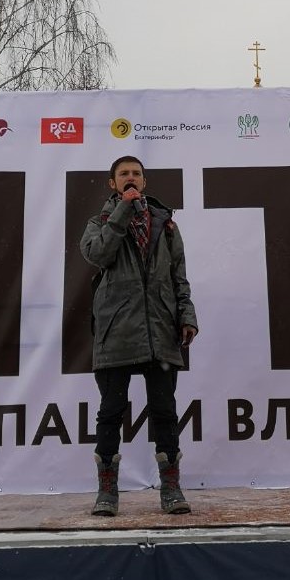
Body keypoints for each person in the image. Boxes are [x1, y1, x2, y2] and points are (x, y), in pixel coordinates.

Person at [80, 155, 198, 516]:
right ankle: (107, 493)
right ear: (112, 184)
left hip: (160, 328)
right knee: (111, 412)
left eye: (136, 174)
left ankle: (172, 489)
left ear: (144, 182)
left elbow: (179, 275)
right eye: (123, 175)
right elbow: (98, 254)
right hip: (117, 330)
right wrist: (122, 214)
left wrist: (187, 315)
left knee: (164, 411)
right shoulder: (99, 222)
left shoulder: (166, 225)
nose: (131, 178)